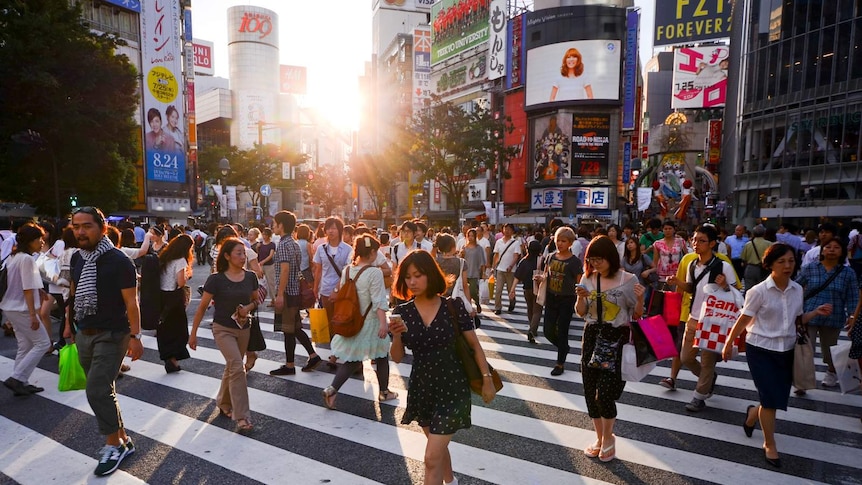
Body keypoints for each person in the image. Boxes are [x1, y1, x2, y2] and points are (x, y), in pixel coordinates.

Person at [389, 250, 495, 485]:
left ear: (431, 275)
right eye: (407, 277)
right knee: (437, 446)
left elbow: (475, 346)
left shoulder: (454, 306)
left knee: (430, 456)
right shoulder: (403, 312)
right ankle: (450, 481)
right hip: (423, 387)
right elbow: (396, 358)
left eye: (418, 275)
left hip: (453, 387)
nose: (412, 282)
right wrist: (396, 337)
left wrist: (487, 379)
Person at [723, 243, 832, 468]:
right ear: (770, 264)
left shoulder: (797, 289)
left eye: (791, 261)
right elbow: (743, 319)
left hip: (787, 350)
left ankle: (753, 414)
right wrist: (728, 342)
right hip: (760, 350)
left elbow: (797, 319)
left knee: (774, 399)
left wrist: (815, 312)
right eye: (781, 261)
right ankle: (769, 444)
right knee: (771, 400)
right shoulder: (758, 291)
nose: (787, 266)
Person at [63, 207, 143, 476]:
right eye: (76, 227)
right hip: (83, 331)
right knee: (104, 389)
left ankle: (113, 446)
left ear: (102, 228)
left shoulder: (119, 261)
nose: (80, 232)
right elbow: (73, 296)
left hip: (113, 334)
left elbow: (132, 303)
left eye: (87, 226)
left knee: (96, 390)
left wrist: (136, 336)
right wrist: (68, 327)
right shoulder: (77, 258)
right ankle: (122, 438)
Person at [575, 235, 644, 463]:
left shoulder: (628, 279)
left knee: (604, 392)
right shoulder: (588, 277)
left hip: (616, 337)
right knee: (590, 390)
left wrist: (641, 300)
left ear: (610, 258)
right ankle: (599, 437)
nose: (595, 264)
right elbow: (581, 312)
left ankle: (608, 437)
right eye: (592, 260)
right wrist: (581, 298)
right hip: (592, 336)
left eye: (599, 260)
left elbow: (636, 315)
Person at [189, 237, 259, 433]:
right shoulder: (216, 279)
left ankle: (223, 401)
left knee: (232, 367)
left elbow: (256, 301)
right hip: (222, 329)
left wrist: (248, 308)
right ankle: (243, 415)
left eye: (244, 253)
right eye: (239, 253)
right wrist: (193, 334)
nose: (243, 257)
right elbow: (202, 307)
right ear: (227, 256)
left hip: (244, 328)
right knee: (238, 367)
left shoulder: (250, 277)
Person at [667, 224, 737, 411]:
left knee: (707, 361)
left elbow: (738, 294)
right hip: (693, 317)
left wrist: (725, 287)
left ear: (712, 243)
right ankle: (709, 378)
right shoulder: (691, 264)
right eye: (694, 240)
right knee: (686, 357)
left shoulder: (723, 266)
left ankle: (699, 396)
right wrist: (677, 282)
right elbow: (691, 288)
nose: (696, 244)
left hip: (713, 320)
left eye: (701, 241)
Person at [322, 235, 396, 408]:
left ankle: (332, 389)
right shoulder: (374, 272)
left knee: (353, 360)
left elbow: (342, 292)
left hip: (353, 321)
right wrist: (384, 324)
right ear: (371, 253)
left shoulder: (348, 270)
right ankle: (384, 392)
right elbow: (378, 301)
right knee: (382, 355)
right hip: (371, 322)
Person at [795, 237, 859, 388]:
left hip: (833, 317)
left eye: (836, 247)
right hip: (809, 315)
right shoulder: (811, 268)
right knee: (805, 349)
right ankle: (802, 382)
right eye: (828, 246)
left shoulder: (847, 273)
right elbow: (796, 287)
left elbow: (853, 296)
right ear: (822, 250)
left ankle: (831, 372)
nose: (831, 249)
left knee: (830, 350)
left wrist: (852, 316)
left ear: (842, 251)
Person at [2, 223, 51, 396]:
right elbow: (27, 289)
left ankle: (21, 382)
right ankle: (17, 378)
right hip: (22, 308)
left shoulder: (14, 256)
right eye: (39, 239)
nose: (42, 242)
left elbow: (24, 283)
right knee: (43, 343)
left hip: (10, 306)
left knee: (25, 344)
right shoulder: (27, 259)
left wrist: (40, 290)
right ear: (31, 241)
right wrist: (32, 315)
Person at [269, 211, 322, 375]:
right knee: (293, 328)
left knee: (289, 329)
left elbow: (284, 270)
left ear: (281, 225)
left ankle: (294, 363)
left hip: (288, 292)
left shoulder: (284, 244)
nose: (273, 226)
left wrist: (279, 294)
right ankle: (301, 360)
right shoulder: (293, 243)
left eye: (274, 223)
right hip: (295, 291)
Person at [537, 226, 583, 375]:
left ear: (570, 243)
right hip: (551, 297)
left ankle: (560, 363)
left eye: (563, 241)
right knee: (547, 331)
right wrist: (541, 278)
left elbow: (579, 282)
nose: (560, 243)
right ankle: (564, 347)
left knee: (563, 331)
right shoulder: (550, 257)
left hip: (567, 299)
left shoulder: (575, 262)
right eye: (558, 240)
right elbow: (546, 275)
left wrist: (580, 299)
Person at [157, 234, 193, 373]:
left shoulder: (164, 257)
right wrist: (186, 275)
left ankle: (168, 357)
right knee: (178, 330)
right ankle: (173, 359)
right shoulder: (180, 260)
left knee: (164, 329)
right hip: (174, 297)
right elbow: (180, 282)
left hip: (161, 296)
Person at [512, 240, 542, 344]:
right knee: (537, 311)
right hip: (538, 288)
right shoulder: (541, 260)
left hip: (527, 288)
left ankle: (531, 327)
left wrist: (512, 289)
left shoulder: (523, 261)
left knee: (530, 308)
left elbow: (517, 276)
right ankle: (533, 330)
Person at [492, 223, 521, 314]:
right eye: (505, 229)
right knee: (498, 290)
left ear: (512, 231)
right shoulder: (499, 242)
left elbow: (516, 256)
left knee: (510, 289)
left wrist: (511, 266)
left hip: (511, 271)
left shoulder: (515, 242)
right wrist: (494, 266)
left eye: (509, 229)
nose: (507, 231)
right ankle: (498, 307)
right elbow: (496, 255)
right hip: (500, 269)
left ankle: (512, 302)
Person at [461, 228, 486, 316]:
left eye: (472, 236)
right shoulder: (464, 247)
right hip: (465, 272)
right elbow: (461, 260)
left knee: (473, 291)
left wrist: (483, 273)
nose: (470, 238)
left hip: (475, 272)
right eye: (469, 236)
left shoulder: (479, 248)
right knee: (464, 292)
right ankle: (468, 307)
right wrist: (461, 253)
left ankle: (477, 302)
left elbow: (482, 261)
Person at [740, 225, 772, 291]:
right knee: (764, 289)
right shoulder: (769, 244)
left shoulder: (748, 244)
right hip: (764, 269)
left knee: (749, 289)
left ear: (753, 233)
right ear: (764, 233)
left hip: (750, 268)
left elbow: (743, 258)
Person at [256, 228, 277, 307]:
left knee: (271, 283)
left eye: (265, 234)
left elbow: (271, 255)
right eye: (263, 234)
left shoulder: (272, 244)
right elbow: (258, 253)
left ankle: (274, 300)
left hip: (269, 265)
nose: (264, 236)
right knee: (258, 281)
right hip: (261, 265)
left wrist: (263, 262)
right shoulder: (260, 244)